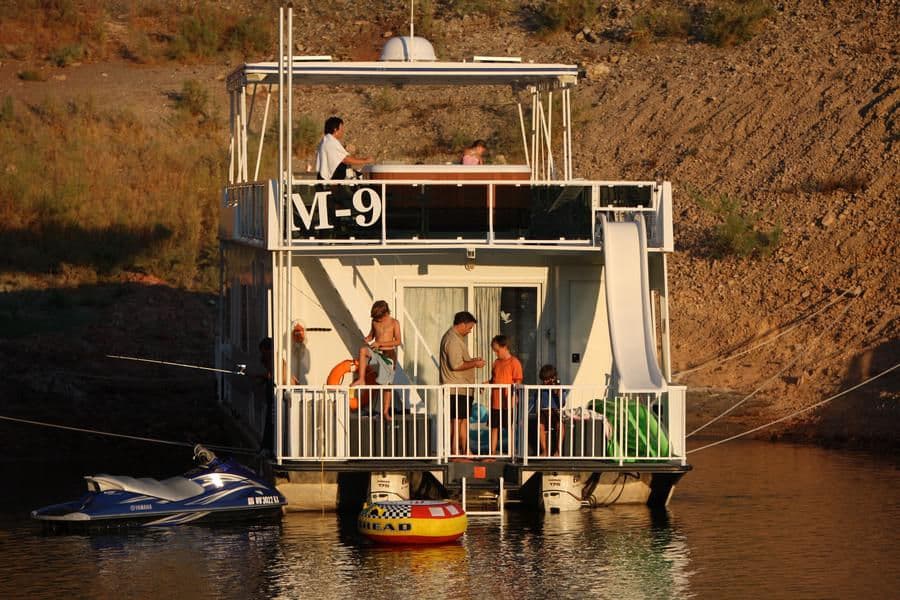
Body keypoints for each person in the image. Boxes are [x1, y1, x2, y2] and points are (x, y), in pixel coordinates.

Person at [439, 311, 485, 456]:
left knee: (463, 420)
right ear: (462, 324)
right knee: (457, 420)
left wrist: (473, 361)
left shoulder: (457, 338)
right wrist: (475, 364)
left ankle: (466, 450)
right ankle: (454, 450)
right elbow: (456, 365)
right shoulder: (452, 339)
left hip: (463, 388)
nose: (470, 331)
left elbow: (461, 362)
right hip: (455, 388)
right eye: (469, 327)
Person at [350, 300, 402, 420]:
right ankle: (362, 379)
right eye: (376, 319)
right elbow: (371, 336)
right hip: (377, 352)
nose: (377, 320)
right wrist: (367, 339)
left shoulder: (394, 323)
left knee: (387, 384)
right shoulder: (374, 322)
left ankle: (385, 411)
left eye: (379, 318)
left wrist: (380, 343)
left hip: (389, 354)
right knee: (363, 350)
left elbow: (398, 341)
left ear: (385, 313)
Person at [489, 335, 523, 455]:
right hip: (495, 401)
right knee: (494, 427)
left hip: (508, 401)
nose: (496, 353)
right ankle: (492, 451)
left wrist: (514, 393)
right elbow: (494, 379)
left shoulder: (514, 362)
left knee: (510, 427)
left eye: (497, 350)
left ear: (505, 347)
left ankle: (512, 451)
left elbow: (518, 380)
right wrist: (487, 383)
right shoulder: (496, 363)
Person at [315, 116, 374, 180]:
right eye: (341, 129)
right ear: (335, 129)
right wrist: (365, 160)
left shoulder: (326, 140)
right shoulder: (331, 142)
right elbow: (346, 160)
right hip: (332, 183)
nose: (343, 132)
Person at [534, 364, 566, 456]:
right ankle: (544, 451)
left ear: (553, 377)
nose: (545, 382)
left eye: (547, 379)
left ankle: (558, 451)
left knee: (560, 424)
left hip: (555, 412)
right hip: (544, 412)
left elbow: (562, 403)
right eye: (543, 380)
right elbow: (535, 400)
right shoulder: (540, 388)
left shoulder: (559, 387)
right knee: (540, 424)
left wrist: (557, 392)